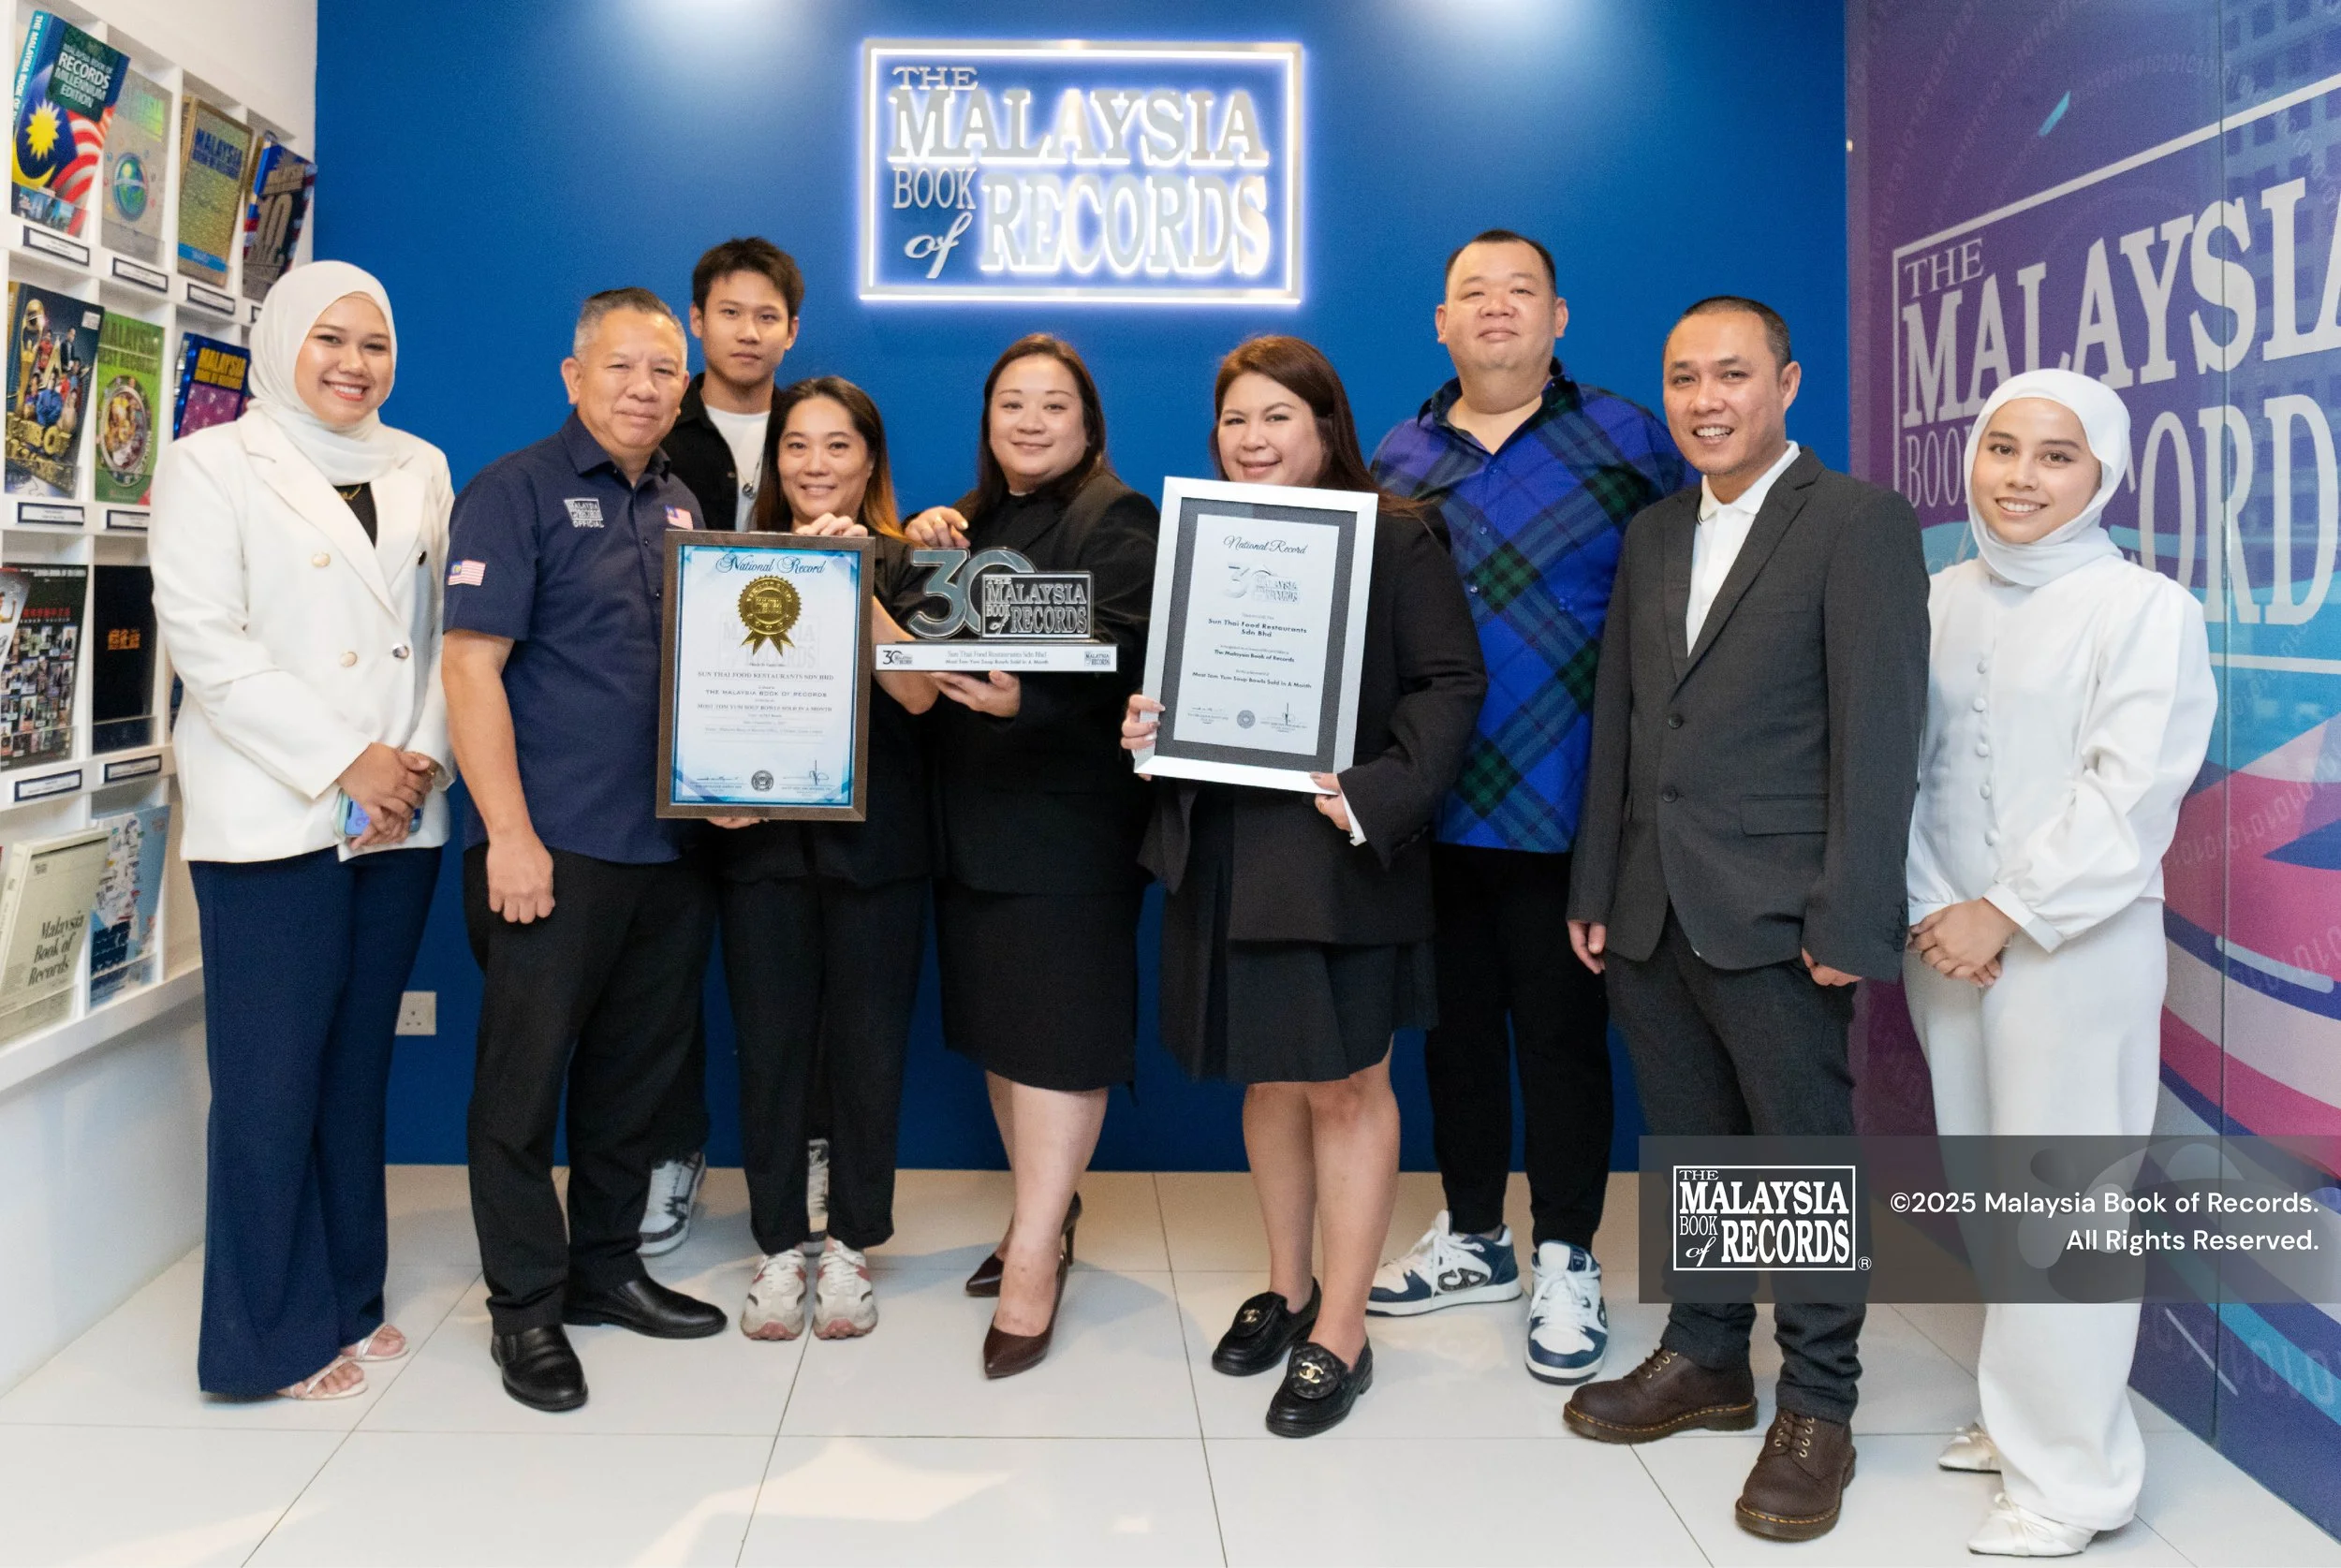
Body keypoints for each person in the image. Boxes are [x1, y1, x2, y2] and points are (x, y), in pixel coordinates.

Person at [1560, 297, 1928, 1542]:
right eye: (1682, 377)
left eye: (1731, 374)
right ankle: (1710, 1356)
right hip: (1653, 900)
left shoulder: (1859, 523)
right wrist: (1596, 885)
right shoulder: (1656, 530)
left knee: (1801, 1156)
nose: (1704, 399)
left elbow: (1881, 735)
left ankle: (1819, 1403)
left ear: (1788, 382)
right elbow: (1623, 717)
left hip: (1783, 912)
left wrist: (1851, 911)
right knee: (1695, 1136)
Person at [1123, 336, 1484, 1435]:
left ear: (1326, 426)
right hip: (1228, 842)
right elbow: (1181, 682)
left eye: (1277, 415)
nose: (1253, 438)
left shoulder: (1396, 533)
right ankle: (1287, 1290)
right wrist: (1150, 722)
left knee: (1345, 1085)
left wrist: (1376, 790)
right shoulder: (1203, 539)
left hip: (1337, 848)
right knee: (1267, 1077)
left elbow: (1449, 681)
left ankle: (1344, 1330)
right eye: (1235, 419)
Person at [1365, 228, 1686, 1387]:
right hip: (1431, 800)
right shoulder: (1396, 456)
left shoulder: (1629, 440)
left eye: (1520, 292)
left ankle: (1567, 1252)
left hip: (1573, 800)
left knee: (1560, 1040)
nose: (1496, 309)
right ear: (1439, 324)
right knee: (1450, 1038)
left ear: (1559, 318)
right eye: (1471, 294)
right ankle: (1472, 1235)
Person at [1904, 370, 2215, 1559]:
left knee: (2065, 1208)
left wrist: (2006, 910)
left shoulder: (2143, 608)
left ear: (2101, 477)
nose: (2019, 477)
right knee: (1995, 1188)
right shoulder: (1935, 597)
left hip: (2072, 947)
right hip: (1950, 942)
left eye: (2054, 457)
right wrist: (1939, 907)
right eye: (2000, 448)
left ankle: (2075, 1480)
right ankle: (2024, 1414)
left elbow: (2129, 791)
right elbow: (1912, 768)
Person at [151, 260, 452, 1400]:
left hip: (397, 817)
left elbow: (443, 633)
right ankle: (260, 1341)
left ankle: (349, 1298)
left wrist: (418, 757)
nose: (353, 363)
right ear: (282, 340)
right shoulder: (209, 463)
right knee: (270, 1080)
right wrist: (351, 762)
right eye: (329, 339)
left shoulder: (418, 463)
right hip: (274, 812)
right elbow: (209, 645)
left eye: (373, 344)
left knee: (352, 1071)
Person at [442, 287, 725, 1414]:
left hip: (667, 849)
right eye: (621, 367)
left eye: (664, 372)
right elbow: (470, 669)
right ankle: (526, 1308)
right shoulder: (511, 491)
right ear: (574, 375)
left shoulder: (682, 504)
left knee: (633, 1081)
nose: (643, 390)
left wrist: (730, 787)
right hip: (549, 850)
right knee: (521, 1090)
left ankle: (606, 1267)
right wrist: (509, 834)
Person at [902, 334, 1157, 1379]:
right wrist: (918, 555)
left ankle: (1033, 1267)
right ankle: (1038, 1216)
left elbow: (1124, 648)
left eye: (1055, 404)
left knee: (1055, 1043)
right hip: (970, 825)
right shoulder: (969, 522)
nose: (1032, 419)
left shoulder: (1118, 516)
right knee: (1007, 1039)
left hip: (1067, 830)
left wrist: (1028, 697)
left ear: (1089, 424)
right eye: (1012, 401)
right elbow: (924, 650)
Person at [716, 377, 941, 1342]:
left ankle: (850, 1240)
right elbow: (708, 694)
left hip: (878, 848)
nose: (816, 466)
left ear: (870, 460)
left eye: (838, 447)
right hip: (760, 845)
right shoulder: (731, 565)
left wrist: (862, 592)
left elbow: (926, 698)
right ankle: (776, 1242)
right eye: (797, 447)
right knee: (768, 1049)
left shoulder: (911, 561)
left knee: (867, 1050)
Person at [641, 238, 808, 1256]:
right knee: (663, 971)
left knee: (790, 974)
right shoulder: (654, 423)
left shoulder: (818, 421)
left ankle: (805, 1161)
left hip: (794, 745)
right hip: (664, 737)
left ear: (792, 329)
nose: (749, 332)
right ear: (696, 321)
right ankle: (673, 1150)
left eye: (768, 316)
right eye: (729, 313)